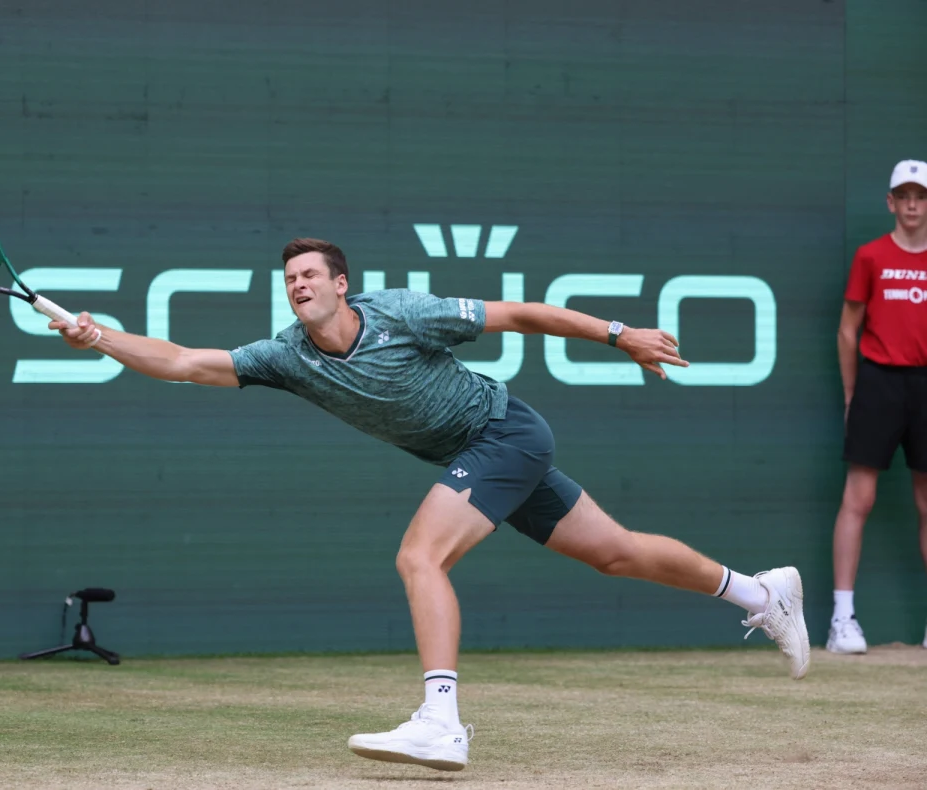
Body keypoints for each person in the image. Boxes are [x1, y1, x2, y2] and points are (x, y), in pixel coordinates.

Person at [49, 238, 810, 772]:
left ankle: (441, 723)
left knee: (420, 556)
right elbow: (184, 362)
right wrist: (102, 337)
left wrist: (622, 335)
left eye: (311, 275)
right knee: (616, 551)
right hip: (482, 460)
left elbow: (523, 314)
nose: (299, 287)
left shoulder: (403, 313)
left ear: (342, 283)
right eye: (290, 280)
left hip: (505, 435)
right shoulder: (287, 356)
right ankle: (761, 591)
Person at [830, 159, 927, 655]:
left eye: (920, 196)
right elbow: (848, 330)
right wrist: (852, 394)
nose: (912, 204)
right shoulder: (870, 257)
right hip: (878, 382)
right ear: (891, 202)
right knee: (859, 499)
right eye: (904, 196)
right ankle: (841, 619)